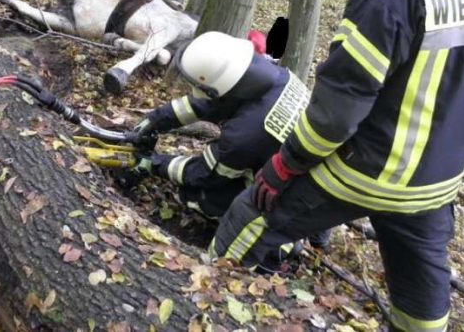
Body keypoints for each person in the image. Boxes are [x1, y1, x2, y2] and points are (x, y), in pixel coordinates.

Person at [208, 0, 464, 331]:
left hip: (365, 171)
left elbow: (336, 113)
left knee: (248, 217)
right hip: (437, 183)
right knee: (423, 297)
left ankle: (201, 296)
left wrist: (283, 167)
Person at [125, 31, 331, 251]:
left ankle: (282, 246)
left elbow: (205, 174)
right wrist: (154, 121)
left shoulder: (243, 136)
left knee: (199, 195)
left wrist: (155, 164)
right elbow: (207, 103)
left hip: (294, 201)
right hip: (315, 182)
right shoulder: (273, 76)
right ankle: (314, 235)